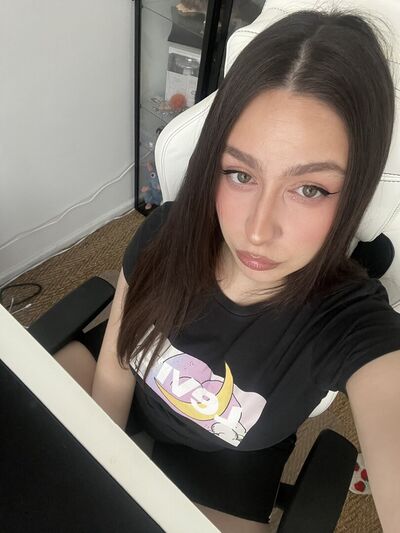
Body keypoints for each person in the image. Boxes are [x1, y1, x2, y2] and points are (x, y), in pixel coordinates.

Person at [55, 8, 400, 532]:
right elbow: (115, 366)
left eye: (309, 189)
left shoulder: (348, 323)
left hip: (228, 460)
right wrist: (102, 467)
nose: (258, 231)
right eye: (240, 174)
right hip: (129, 388)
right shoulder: (169, 232)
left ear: (354, 190)